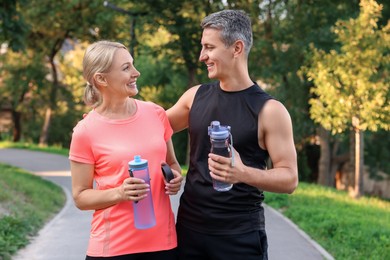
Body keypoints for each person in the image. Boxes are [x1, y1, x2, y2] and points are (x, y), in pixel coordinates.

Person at [167, 9, 298, 260]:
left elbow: (290, 178)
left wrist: (242, 173)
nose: (202, 56)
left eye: (209, 47)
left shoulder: (270, 111)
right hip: (189, 232)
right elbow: (152, 128)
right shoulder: (194, 97)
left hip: (240, 237)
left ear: (236, 48)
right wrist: (105, 116)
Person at [69, 40, 183, 260]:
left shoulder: (156, 113)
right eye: (126, 68)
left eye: (133, 65)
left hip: (163, 243)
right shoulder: (85, 131)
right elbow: (80, 197)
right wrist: (120, 193)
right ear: (101, 79)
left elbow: (171, 164)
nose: (136, 73)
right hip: (113, 248)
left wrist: (175, 178)